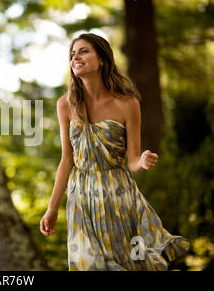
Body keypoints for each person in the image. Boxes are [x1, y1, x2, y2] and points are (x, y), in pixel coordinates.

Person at [39, 33, 190, 271]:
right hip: (81, 199)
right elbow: (67, 160)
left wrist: (142, 161)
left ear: (102, 60)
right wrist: (52, 208)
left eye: (83, 51)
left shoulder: (127, 104)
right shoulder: (65, 105)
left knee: (126, 263)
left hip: (118, 196)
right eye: (72, 54)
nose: (76, 57)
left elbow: (131, 161)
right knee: (88, 266)